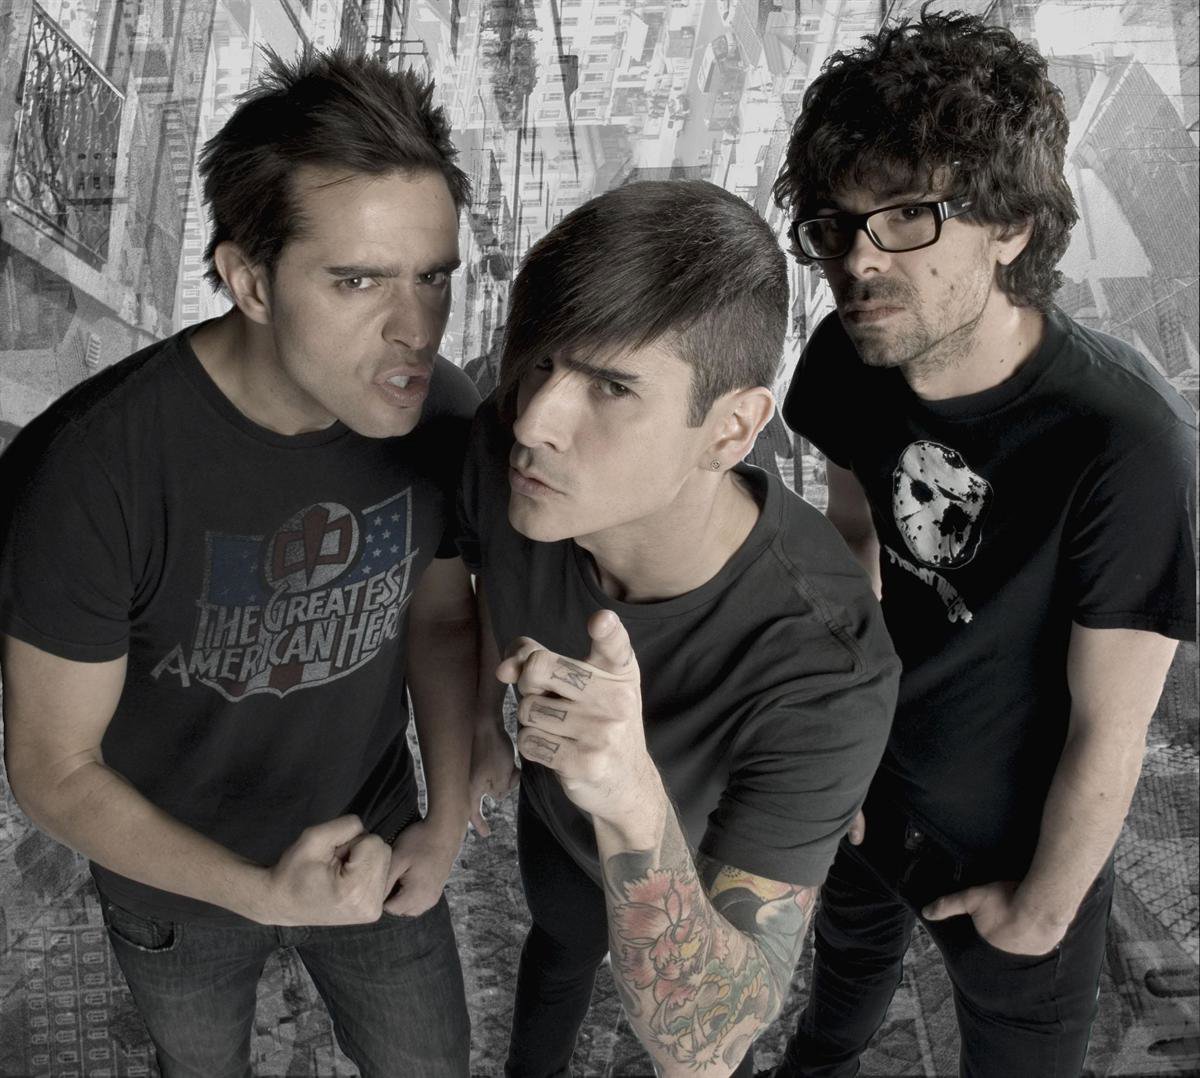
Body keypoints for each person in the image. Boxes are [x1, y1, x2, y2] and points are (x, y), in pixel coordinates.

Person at [0, 50, 484, 1078]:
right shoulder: (91, 470)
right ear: (249, 280)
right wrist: (261, 893)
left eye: (432, 277)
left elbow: (442, 619)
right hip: (173, 886)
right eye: (357, 280)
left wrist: (444, 822)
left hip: (376, 839)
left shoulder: (442, 415)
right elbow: (52, 769)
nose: (414, 330)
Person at [771, 9, 1196, 1076]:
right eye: (836, 223)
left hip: (1020, 842)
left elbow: (1113, 727)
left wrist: (1043, 909)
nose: (857, 261)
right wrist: (839, 740)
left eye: (908, 216)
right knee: (841, 985)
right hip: (874, 781)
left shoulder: (1125, 440)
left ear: (1010, 224)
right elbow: (854, 534)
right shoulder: (851, 352)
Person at [462, 179, 901, 1078]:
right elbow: (466, 584)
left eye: (611, 387)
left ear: (731, 429)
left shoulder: (829, 666)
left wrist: (627, 795)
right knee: (558, 950)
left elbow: (707, 1045)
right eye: (541, 362)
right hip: (555, 822)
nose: (535, 421)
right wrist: (480, 719)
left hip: (701, 865)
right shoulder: (501, 456)